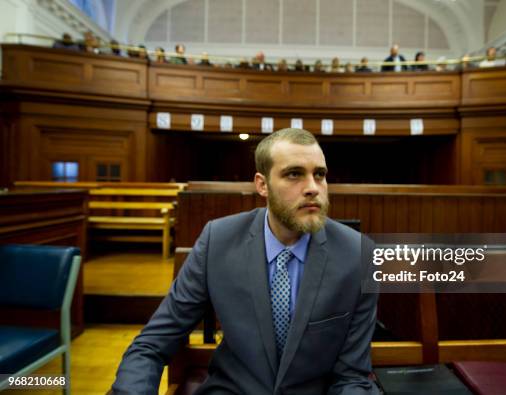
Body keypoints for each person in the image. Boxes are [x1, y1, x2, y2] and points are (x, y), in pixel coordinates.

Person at [111, 128, 379, 394]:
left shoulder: (357, 254)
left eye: (319, 174)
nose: (312, 188)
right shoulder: (218, 241)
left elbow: (352, 377)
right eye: (294, 174)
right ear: (262, 184)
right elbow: (152, 345)